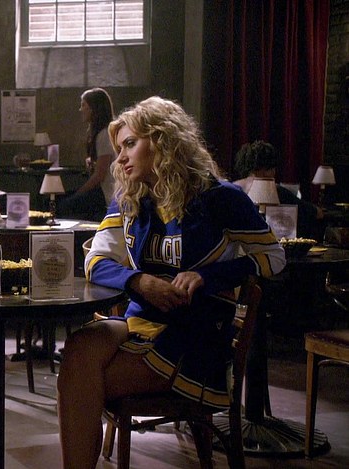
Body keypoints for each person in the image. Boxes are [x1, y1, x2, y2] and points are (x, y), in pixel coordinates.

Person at [56, 97, 286, 469]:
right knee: (80, 346)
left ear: (162, 140)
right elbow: (94, 262)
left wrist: (207, 276)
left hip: (193, 337)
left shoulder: (219, 198)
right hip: (138, 323)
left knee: (79, 382)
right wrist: (139, 282)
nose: (120, 158)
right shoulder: (129, 200)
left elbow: (274, 257)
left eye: (130, 144)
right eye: (119, 148)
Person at [232, 140, 324, 239]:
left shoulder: (233, 187)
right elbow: (317, 213)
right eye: (272, 168)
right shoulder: (274, 190)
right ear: (267, 169)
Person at [57, 87, 116, 222]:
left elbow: (99, 175)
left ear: (94, 108)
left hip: (107, 195)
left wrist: (79, 193)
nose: (80, 109)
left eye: (84, 105)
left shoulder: (104, 135)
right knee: (61, 198)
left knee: (63, 205)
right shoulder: (104, 132)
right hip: (102, 192)